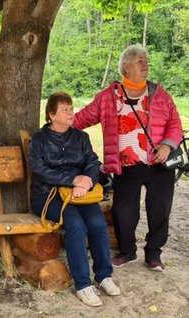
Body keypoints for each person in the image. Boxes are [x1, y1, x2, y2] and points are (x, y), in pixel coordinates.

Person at [74, 45, 183, 272]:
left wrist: (167, 144)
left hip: (159, 164)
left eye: (146, 61)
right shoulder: (107, 97)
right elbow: (82, 119)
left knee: (160, 210)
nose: (145, 65)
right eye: (139, 61)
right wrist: (56, 128)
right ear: (125, 67)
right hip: (126, 166)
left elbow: (175, 123)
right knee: (124, 212)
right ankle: (127, 251)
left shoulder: (159, 94)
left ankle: (153, 254)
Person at [30, 92, 120, 307]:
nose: (71, 113)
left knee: (98, 224)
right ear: (52, 115)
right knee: (76, 225)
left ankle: (104, 275)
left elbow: (92, 162)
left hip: (80, 194)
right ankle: (82, 284)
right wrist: (73, 180)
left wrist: (86, 182)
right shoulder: (39, 139)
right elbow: (40, 170)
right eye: (65, 110)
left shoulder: (81, 137)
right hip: (48, 195)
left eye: (71, 109)